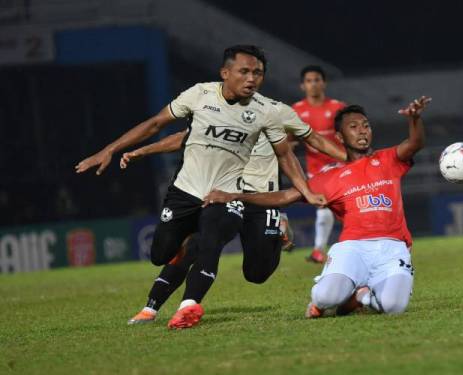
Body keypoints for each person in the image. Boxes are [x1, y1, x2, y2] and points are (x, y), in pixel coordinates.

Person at [76, 45, 325, 329]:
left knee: (237, 260)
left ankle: (187, 306)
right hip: (194, 191)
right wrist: (126, 150)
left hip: (244, 195)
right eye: (245, 71)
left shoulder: (271, 110)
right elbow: (170, 130)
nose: (251, 78)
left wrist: (345, 162)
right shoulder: (201, 97)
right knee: (164, 253)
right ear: (226, 73)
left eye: (257, 73)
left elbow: (295, 149)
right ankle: (156, 305)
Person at [204, 96, 431, 318]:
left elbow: (415, 143)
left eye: (366, 126)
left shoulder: (387, 160)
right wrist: (235, 196)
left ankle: (359, 296)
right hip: (353, 248)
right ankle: (350, 296)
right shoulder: (330, 177)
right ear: (340, 137)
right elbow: (286, 196)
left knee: (394, 307)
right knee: (325, 298)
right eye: (354, 127)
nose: (362, 131)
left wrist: (414, 119)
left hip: (393, 247)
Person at [121, 112, 345, 325]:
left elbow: (310, 139)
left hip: (263, 201)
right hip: (224, 195)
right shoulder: (218, 117)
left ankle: (276, 232)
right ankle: (153, 307)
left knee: (257, 274)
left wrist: (349, 157)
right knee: (198, 243)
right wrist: (143, 151)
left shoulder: (272, 117)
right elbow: (183, 138)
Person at [292, 65, 346, 263]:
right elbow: (288, 139)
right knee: (324, 207)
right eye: (309, 81)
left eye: (316, 80)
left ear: (324, 83)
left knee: (340, 208)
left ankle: (322, 250)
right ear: (302, 86)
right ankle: (319, 250)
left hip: (341, 166)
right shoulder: (296, 110)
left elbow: (351, 133)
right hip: (316, 169)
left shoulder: (338, 108)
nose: (313, 84)